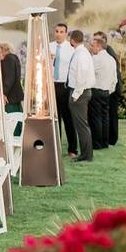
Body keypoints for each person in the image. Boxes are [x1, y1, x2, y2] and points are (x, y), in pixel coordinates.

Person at [66, 30, 96, 163]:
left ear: (72, 40)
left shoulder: (81, 55)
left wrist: (76, 94)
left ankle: (86, 155)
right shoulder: (80, 53)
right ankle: (86, 153)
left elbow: (81, 77)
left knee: (82, 125)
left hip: (80, 92)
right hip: (81, 91)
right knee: (81, 124)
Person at [50, 23, 76, 158]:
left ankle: (72, 149)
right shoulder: (49, 46)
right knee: (55, 118)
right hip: (52, 85)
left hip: (65, 86)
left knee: (68, 118)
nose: (58, 34)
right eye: (57, 31)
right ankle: (56, 148)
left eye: (61, 32)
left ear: (66, 34)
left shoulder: (71, 50)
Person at [88, 34, 117, 151]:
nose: (91, 48)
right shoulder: (111, 59)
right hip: (106, 92)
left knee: (96, 119)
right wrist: (109, 90)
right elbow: (114, 79)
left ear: (99, 47)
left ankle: (97, 143)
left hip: (96, 91)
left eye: (93, 46)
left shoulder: (96, 59)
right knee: (105, 118)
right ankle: (105, 142)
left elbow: (88, 73)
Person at [0, 42, 25, 113]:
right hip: (16, 94)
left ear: (4, 50)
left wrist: (4, 93)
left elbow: (9, 78)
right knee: (19, 117)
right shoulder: (15, 58)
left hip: (10, 96)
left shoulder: (8, 59)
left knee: (11, 119)